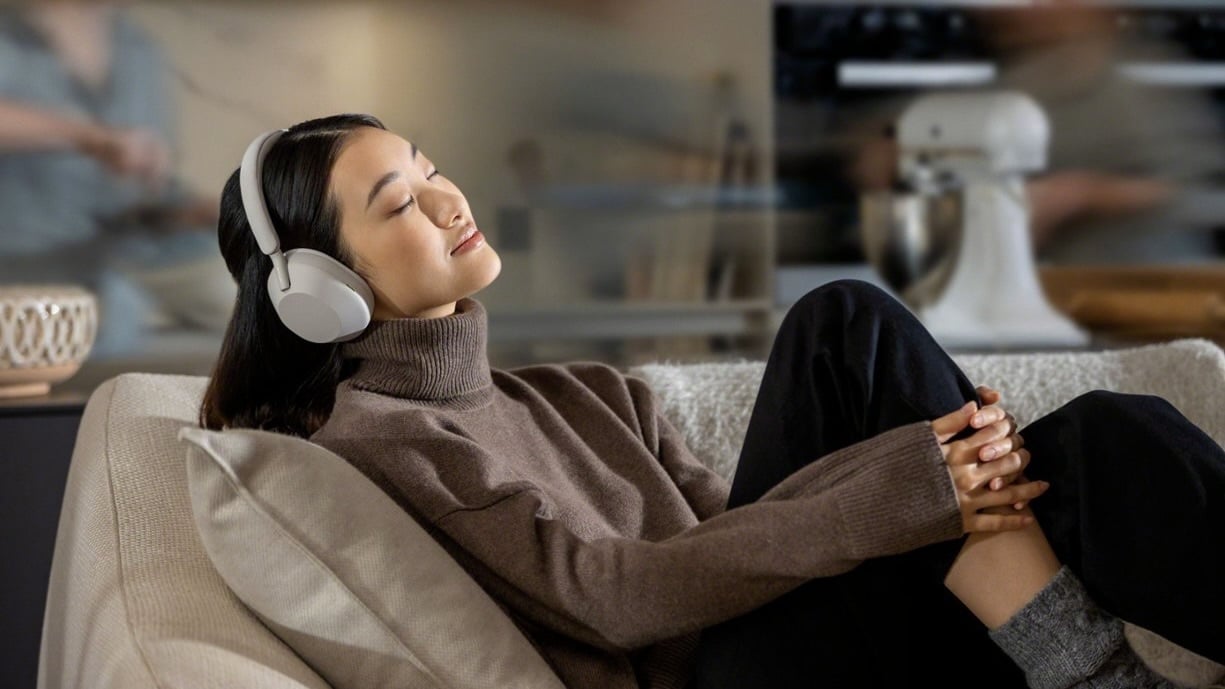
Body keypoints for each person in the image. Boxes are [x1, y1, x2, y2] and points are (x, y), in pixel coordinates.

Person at [199, 113, 1225, 689]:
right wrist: (907, 479)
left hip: (810, 653)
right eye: (398, 203)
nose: (447, 197)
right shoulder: (387, 438)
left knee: (1095, 437)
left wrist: (926, 465)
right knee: (844, 327)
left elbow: (742, 528)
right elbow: (608, 593)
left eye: (428, 169)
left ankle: (1091, 675)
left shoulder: (582, 393)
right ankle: (1084, 668)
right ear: (319, 290)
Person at [0, 1, 223, 355]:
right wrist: (89, 136)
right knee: (114, 310)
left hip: (135, 250)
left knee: (249, 295)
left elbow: (150, 191)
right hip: (33, 259)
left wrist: (205, 210)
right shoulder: (9, 36)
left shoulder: (139, 48)